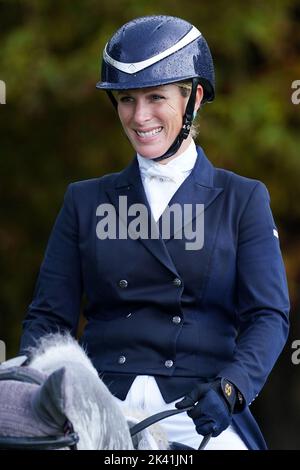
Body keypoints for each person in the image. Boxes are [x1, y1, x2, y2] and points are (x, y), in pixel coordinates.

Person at [20, 15, 290, 450]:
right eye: (127, 100)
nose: (139, 116)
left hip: (197, 407)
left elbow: (268, 316)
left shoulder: (243, 199)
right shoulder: (84, 201)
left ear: (195, 98)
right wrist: (38, 391)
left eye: (155, 98)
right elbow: (49, 319)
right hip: (99, 403)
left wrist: (231, 388)